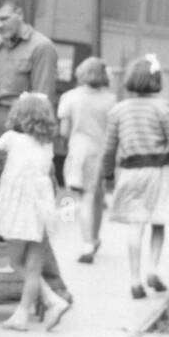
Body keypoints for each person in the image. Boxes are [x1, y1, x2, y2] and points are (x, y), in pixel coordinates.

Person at [0, 0, 72, 306]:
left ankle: (56, 290)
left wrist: (33, 150)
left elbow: (42, 103)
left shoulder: (42, 48)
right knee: (0, 217)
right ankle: (8, 286)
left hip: (24, 143)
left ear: (19, 13)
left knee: (32, 222)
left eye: (4, 18)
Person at [101, 55, 169, 299]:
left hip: (131, 171)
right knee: (158, 221)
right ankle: (152, 269)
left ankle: (134, 280)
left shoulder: (118, 111)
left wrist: (108, 174)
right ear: (156, 80)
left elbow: (109, 148)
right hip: (158, 172)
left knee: (135, 225)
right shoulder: (163, 108)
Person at [0, 92, 71, 333]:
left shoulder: (12, 138)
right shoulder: (47, 145)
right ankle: (24, 313)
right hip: (41, 209)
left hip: (19, 209)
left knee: (16, 261)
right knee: (33, 266)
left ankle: (52, 301)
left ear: (19, 116)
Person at [57, 57, 116, 265]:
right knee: (97, 197)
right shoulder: (111, 100)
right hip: (102, 153)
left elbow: (64, 131)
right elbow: (114, 131)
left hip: (79, 151)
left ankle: (87, 243)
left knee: (84, 199)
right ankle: (96, 238)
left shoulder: (69, 97)